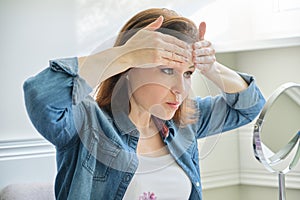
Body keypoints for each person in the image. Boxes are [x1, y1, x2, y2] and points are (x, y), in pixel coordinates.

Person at [23, 8, 265, 200]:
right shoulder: (86, 124)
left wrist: (211, 67)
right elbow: (41, 95)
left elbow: (249, 106)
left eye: (188, 74)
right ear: (129, 70)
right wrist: (124, 54)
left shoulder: (183, 124)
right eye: (167, 70)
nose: (181, 89)